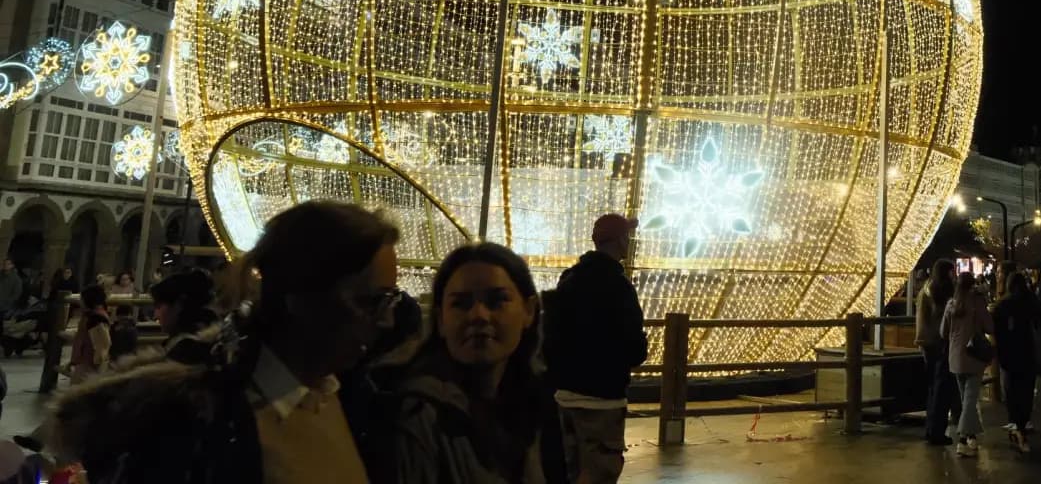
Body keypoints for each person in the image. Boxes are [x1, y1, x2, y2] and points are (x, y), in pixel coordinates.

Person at [46, 200, 405, 484]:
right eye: (370, 301)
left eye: (392, 301)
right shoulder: (198, 430)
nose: (387, 321)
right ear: (301, 296)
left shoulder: (353, 400)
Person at [371, 243, 567, 483]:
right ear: (441, 319)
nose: (478, 315)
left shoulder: (537, 404)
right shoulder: (415, 414)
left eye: (496, 301)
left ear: (529, 311)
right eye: (461, 304)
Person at [544, 213, 647, 484]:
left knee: (571, 472)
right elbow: (635, 349)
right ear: (621, 240)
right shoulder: (620, 287)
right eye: (628, 237)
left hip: (565, 396)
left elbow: (551, 336)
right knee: (600, 471)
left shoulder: (569, 280)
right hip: (602, 400)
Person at [941, 270, 994, 457]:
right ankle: (962, 440)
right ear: (973, 285)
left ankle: (971, 436)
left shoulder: (951, 305)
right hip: (974, 355)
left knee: (966, 400)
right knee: (970, 400)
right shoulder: (977, 303)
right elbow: (990, 327)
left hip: (955, 357)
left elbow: (942, 331)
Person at [992, 272, 1041, 452]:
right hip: (1027, 351)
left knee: (1011, 389)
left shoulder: (1003, 305)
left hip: (1008, 352)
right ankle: (1022, 422)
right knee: (1026, 389)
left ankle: (1015, 422)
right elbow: (1038, 322)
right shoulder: (1031, 302)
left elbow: (995, 328)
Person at [916, 259, 957, 445]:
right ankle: (937, 431)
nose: (954, 275)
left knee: (933, 386)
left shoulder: (927, 287)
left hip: (926, 341)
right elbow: (945, 316)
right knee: (942, 387)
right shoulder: (941, 291)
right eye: (952, 272)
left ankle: (931, 428)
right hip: (940, 342)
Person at [149, 267, 223, 364]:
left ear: (178, 305)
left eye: (158, 307)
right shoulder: (210, 341)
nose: (156, 315)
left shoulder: (185, 350)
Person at [67, 286, 111, 385]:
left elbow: (102, 345)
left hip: (89, 365)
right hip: (84, 362)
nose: (80, 301)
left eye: (82, 299)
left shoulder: (96, 319)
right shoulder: (90, 316)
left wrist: (97, 366)